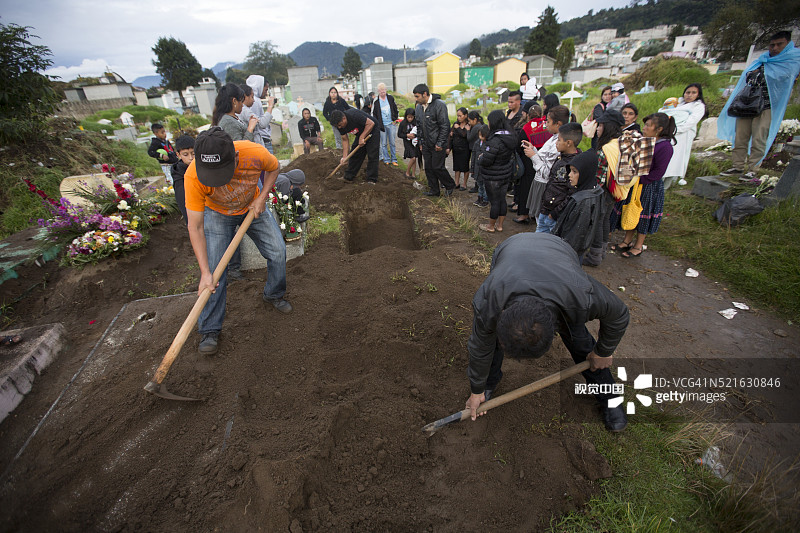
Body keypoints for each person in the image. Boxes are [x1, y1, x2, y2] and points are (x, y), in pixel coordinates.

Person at [464, 232, 629, 432]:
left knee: (580, 342)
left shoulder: (580, 296)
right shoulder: (489, 299)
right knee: (491, 342)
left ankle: (610, 399)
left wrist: (603, 351)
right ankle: (489, 384)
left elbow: (619, 314)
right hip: (510, 248)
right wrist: (476, 389)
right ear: (503, 314)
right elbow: (480, 346)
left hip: (558, 249)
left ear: (554, 329)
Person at [184, 127, 291, 355]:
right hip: (217, 214)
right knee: (214, 273)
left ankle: (273, 294)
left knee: (277, 251)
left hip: (252, 206)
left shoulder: (254, 153)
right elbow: (195, 226)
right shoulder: (193, 176)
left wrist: (262, 198)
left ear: (235, 157)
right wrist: (204, 272)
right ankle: (210, 329)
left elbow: (274, 168)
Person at [719, 31, 800, 176]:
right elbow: (747, 78)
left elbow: (783, 80)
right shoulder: (762, 60)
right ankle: (737, 166)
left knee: (759, 138)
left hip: (766, 107)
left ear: (787, 44)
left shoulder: (792, 61)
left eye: (779, 44)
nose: (775, 48)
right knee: (740, 136)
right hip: (746, 105)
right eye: (772, 45)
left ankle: (753, 169)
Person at [609, 113, 676, 258]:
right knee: (630, 211)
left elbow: (658, 172)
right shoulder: (644, 141)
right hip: (636, 182)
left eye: (648, 125)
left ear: (658, 129)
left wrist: (640, 179)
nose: (644, 128)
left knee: (642, 214)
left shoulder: (665, 147)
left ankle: (638, 246)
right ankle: (626, 241)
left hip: (648, 186)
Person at [583, 109, 624, 267]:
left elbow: (599, 180)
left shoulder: (605, 150)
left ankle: (595, 256)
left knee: (597, 222)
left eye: (600, 126)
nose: (597, 129)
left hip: (603, 192)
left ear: (608, 127)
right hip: (615, 191)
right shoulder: (620, 143)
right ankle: (603, 251)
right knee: (605, 219)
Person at [522, 105, 572, 222]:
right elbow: (545, 158)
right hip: (540, 182)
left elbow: (548, 172)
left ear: (558, 124)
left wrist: (533, 156)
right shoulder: (554, 138)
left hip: (544, 185)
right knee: (539, 218)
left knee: (542, 220)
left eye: (548, 121)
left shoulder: (558, 144)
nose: (545, 124)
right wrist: (533, 149)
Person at [553, 149, 605, 258]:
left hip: (567, 253)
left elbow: (573, 236)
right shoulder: (596, 190)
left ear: (586, 172)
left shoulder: (582, 201)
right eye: (570, 171)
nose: (569, 175)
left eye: (574, 172)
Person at [534, 123, 582, 234]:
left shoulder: (574, 165)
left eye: (559, 140)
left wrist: (555, 213)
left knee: (552, 243)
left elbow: (571, 192)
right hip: (546, 209)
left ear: (569, 143)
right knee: (538, 239)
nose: (556, 143)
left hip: (555, 215)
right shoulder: (560, 157)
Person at [660, 84, 706, 188]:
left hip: (682, 135)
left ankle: (669, 182)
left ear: (698, 95)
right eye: (687, 92)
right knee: (665, 157)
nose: (689, 95)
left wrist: (675, 130)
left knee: (676, 160)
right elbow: (666, 111)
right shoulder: (677, 103)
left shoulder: (698, 106)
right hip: (668, 133)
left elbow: (691, 122)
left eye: (693, 93)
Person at [477, 110, 517, 233]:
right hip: (505, 174)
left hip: (493, 176)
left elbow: (487, 160)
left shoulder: (495, 140)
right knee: (502, 199)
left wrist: (480, 158)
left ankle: (490, 226)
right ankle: (499, 225)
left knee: (494, 202)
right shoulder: (509, 136)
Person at [413, 83, 456, 197]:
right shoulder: (418, 108)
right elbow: (419, 127)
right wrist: (421, 142)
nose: (416, 99)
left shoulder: (439, 105)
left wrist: (441, 142)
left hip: (437, 143)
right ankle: (434, 190)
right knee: (429, 168)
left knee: (437, 167)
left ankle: (450, 185)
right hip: (426, 144)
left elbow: (445, 126)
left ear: (425, 94)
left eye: (417, 96)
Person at [330, 108, 380, 184]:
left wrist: (362, 137)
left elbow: (371, 123)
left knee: (372, 154)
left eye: (340, 125)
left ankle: (371, 179)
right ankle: (348, 177)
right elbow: (345, 140)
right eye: (337, 126)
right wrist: (344, 157)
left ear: (344, 118)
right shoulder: (339, 125)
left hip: (372, 130)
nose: (339, 127)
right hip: (361, 132)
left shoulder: (354, 115)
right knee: (355, 154)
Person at [244, 75, 275, 153]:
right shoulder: (255, 102)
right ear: (260, 87)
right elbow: (262, 123)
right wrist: (270, 106)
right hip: (262, 139)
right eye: (265, 90)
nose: (266, 93)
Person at [371, 83, 399, 166]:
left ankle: (394, 159)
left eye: (384, 91)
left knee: (392, 142)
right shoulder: (376, 101)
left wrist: (395, 119)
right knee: (383, 143)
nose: (382, 93)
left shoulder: (390, 98)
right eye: (380, 91)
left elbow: (395, 108)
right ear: (378, 92)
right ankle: (386, 159)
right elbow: (373, 114)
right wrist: (377, 124)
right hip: (382, 125)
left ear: (386, 90)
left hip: (391, 124)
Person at [239, 84, 271, 148]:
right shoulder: (245, 111)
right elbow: (262, 124)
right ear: (245, 97)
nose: (253, 100)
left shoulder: (243, 110)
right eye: (252, 97)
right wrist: (270, 106)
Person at [171, 135, 194, 221]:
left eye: (193, 153)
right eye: (185, 155)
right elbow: (182, 201)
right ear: (178, 155)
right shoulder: (179, 176)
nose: (191, 158)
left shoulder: (200, 167)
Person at [448, 107, 472, 190]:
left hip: (465, 149)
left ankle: (464, 184)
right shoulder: (455, 124)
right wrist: (449, 147)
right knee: (456, 166)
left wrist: (458, 128)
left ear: (465, 115)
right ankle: (456, 182)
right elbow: (450, 136)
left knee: (465, 166)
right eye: (457, 116)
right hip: (456, 148)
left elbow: (464, 135)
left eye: (460, 116)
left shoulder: (468, 125)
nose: (458, 117)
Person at [397, 108, 421, 178]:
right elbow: (399, 134)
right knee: (413, 157)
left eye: (411, 117)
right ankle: (407, 172)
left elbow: (419, 132)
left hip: (414, 142)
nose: (410, 119)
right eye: (408, 117)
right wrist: (407, 135)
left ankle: (413, 174)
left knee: (414, 157)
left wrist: (414, 136)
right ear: (406, 116)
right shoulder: (402, 123)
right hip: (407, 142)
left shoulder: (416, 123)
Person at [471, 124, 490, 208]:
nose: (480, 137)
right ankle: (480, 197)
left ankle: (485, 199)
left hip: (485, 169)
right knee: (479, 185)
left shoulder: (489, 144)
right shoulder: (477, 143)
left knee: (485, 186)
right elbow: (473, 156)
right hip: (477, 168)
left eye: (482, 135)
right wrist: (472, 168)